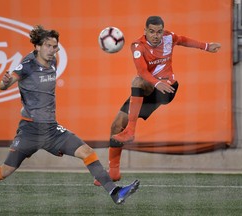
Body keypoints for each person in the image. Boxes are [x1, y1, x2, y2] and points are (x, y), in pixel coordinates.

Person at [0, 25, 139, 204]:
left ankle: (115, 192)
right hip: (29, 131)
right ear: (37, 47)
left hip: (51, 130)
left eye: (55, 46)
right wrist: (5, 82)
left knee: (87, 152)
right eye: (48, 46)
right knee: (5, 171)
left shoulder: (54, 61)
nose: (52, 50)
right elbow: (6, 84)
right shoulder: (26, 66)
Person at [94, 16, 221, 186]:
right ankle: (114, 172)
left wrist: (206, 46)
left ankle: (131, 131)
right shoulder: (137, 46)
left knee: (136, 82)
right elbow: (142, 72)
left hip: (167, 89)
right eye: (152, 31)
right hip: (149, 90)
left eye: (159, 31)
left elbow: (183, 40)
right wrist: (157, 83)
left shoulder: (169, 37)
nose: (156, 35)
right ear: (145, 31)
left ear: (163, 31)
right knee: (116, 125)